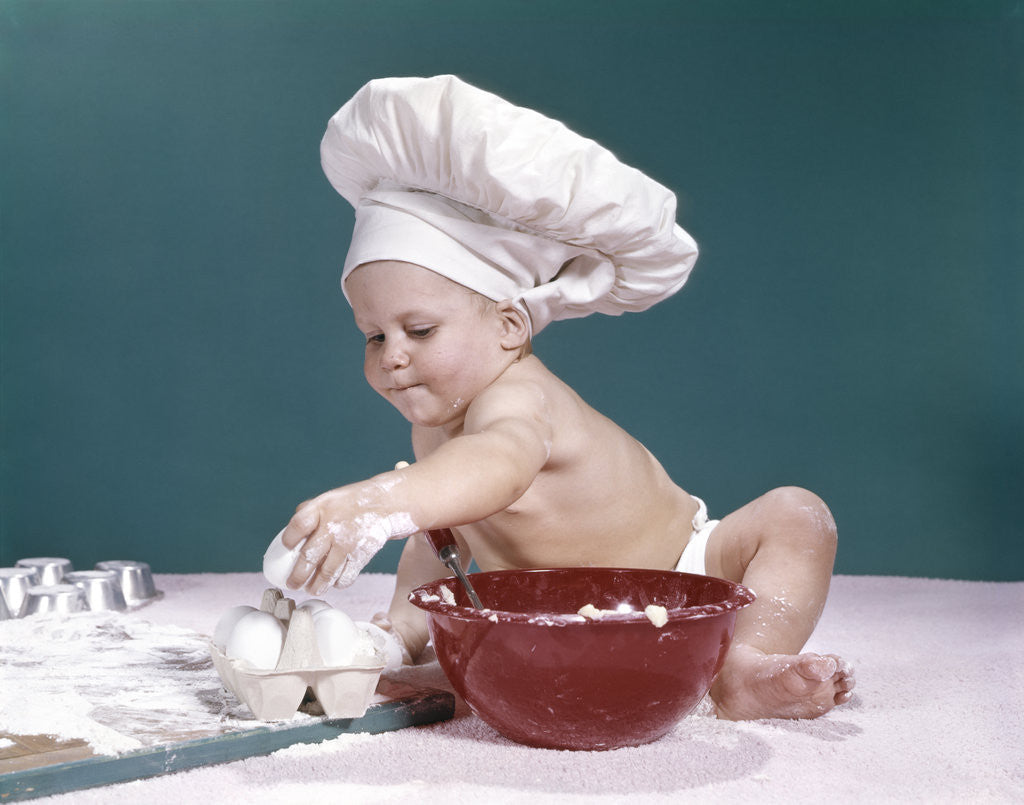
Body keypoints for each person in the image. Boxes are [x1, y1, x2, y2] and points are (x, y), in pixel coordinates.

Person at [276, 75, 855, 720]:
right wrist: (412, 534)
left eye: (419, 330)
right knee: (436, 529)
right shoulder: (439, 426)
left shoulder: (520, 399)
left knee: (796, 516)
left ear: (509, 327)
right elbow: (450, 519)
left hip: (679, 576)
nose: (392, 355)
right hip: (541, 616)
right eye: (372, 336)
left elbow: (497, 463)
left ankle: (741, 666)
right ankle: (403, 640)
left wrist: (381, 500)